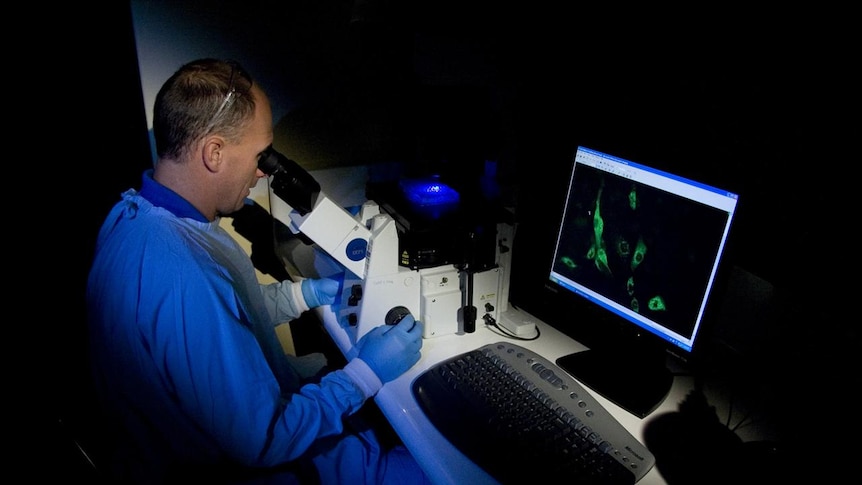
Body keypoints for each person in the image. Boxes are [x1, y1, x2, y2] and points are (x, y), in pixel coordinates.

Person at [86, 58, 428, 484]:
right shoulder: (180, 269)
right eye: (259, 154)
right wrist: (367, 373)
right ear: (214, 153)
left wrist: (309, 293)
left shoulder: (136, 216)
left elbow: (225, 317)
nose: (265, 170)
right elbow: (265, 440)